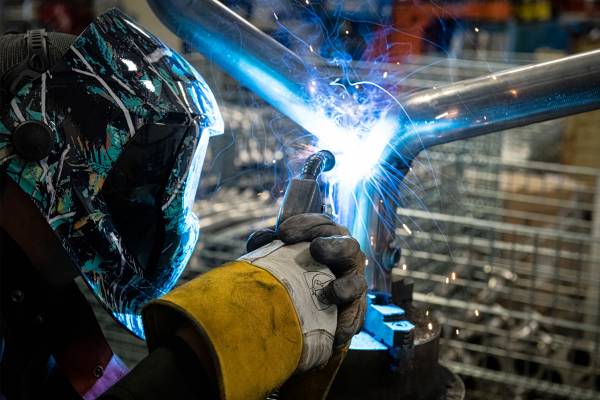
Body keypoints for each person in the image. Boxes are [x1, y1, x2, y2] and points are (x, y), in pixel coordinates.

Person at [0, 8, 366, 400]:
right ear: (37, 143)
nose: (153, 206)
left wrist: (277, 368)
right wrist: (211, 346)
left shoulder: (45, 306)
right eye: (134, 175)